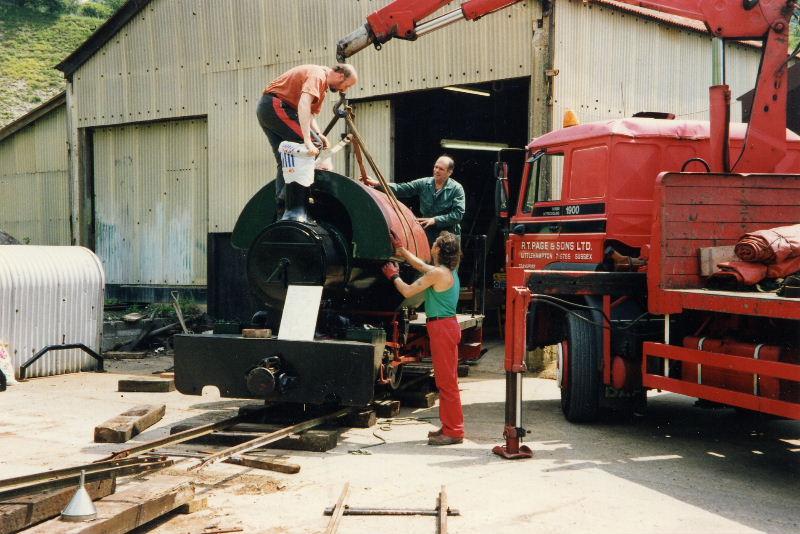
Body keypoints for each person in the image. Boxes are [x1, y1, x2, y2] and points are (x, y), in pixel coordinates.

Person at [382, 231, 464, 446]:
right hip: (446, 326)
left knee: (447, 383)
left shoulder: (438, 273)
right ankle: (449, 427)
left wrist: (393, 276)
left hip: (442, 327)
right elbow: (420, 266)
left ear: (437, 250)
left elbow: (408, 292)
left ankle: (454, 431)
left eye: (434, 244)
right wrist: (401, 250)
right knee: (446, 381)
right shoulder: (446, 271)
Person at [257, 63, 358, 205]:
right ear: (340, 75)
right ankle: (292, 200)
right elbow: (303, 104)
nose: (344, 90)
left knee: (284, 159)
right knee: (312, 145)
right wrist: (308, 140)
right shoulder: (318, 75)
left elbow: (309, 115)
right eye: (346, 85)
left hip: (268, 109)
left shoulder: (322, 89)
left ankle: (283, 206)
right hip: (276, 106)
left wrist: (319, 134)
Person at [366, 156, 465, 244]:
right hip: (428, 234)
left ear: (449, 172)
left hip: (449, 238)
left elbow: (458, 215)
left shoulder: (457, 189)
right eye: (436, 167)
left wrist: (435, 220)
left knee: (446, 265)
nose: (436, 170)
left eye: (441, 169)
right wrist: (378, 184)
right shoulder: (424, 183)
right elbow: (402, 188)